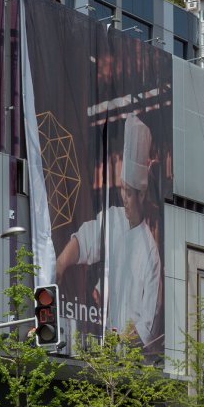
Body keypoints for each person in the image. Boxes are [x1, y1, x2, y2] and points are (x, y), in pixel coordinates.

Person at [53, 116, 165, 351]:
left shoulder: (150, 253)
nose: (124, 198)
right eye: (122, 190)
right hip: (107, 354)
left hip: (133, 364)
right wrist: (61, 264)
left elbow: (148, 327)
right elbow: (84, 241)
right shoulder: (113, 219)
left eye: (129, 193)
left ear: (142, 196)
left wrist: (120, 341)